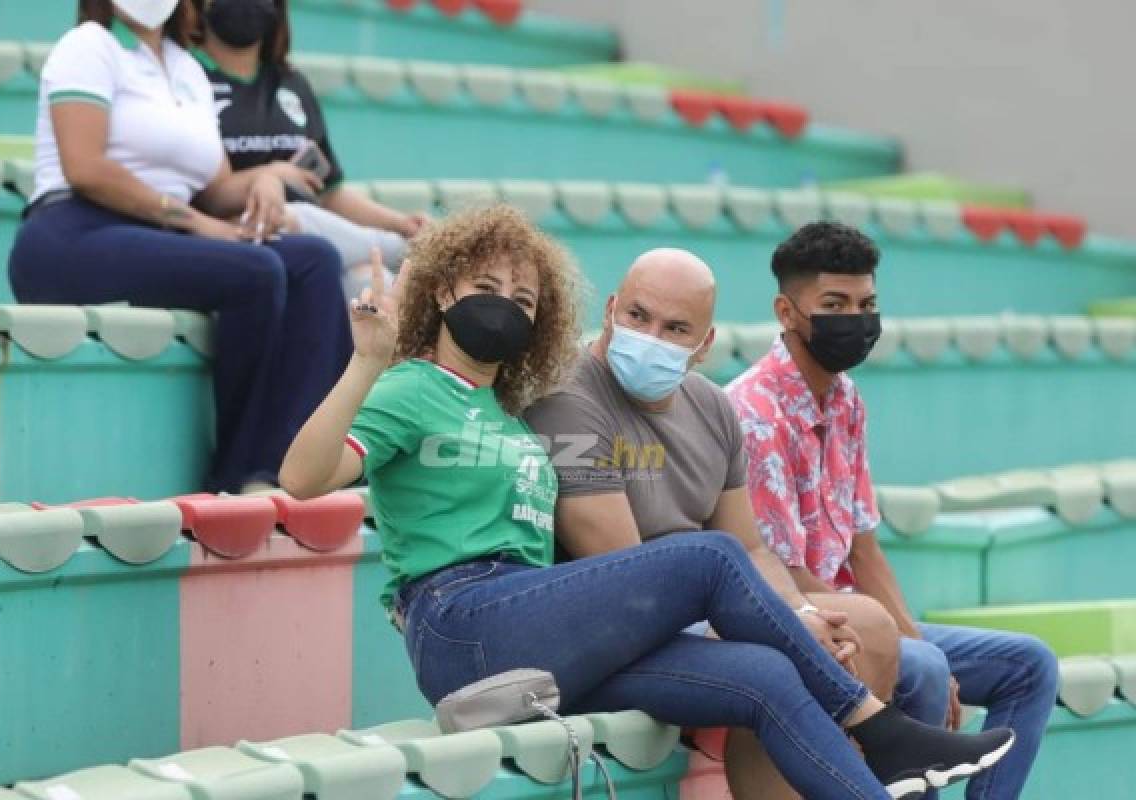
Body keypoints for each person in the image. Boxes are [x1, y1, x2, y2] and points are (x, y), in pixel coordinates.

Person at [281, 205, 1016, 800]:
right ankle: (877, 728)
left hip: (542, 632)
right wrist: (367, 361)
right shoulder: (411, 387)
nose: (504, 308)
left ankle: (872, 768)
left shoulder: (510, 411)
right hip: (462, 621)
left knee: (765, 680)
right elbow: (302, 479)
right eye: (485, 289)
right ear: (442, 292)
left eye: (524, 299)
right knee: (708, 555)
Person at [522, 247, 901, 800]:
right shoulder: (568, 395)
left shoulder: (711, 406)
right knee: (780, 656)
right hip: (617, 631)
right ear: (609, 309)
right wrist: (785, 627)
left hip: (699, 607)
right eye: (637, 316)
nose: (650, 337)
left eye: (675, 328)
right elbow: (628, 573)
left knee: (865, 626)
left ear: (704, 345)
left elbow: (751, 547)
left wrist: (800, 612)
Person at [728, 221, 1059, 800]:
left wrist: (913, 639)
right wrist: (918, 652)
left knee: (1030, 665)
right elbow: (780, 572)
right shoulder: (755, 412)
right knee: (925, 670)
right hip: (801, 619)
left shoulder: (847, 399)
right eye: (834, 304)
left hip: (864, 621)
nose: (855, 319)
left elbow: (864, 548)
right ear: (787, 311)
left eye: (866, 304)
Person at [9, 0, 352, 494]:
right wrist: (194, 222)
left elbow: (216, 189)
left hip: (157, 235)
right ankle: (242, 474)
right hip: (71, 233)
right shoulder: (88, 45)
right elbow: (85, 169)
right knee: (254, 271)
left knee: (315, 259)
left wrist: (267, 179)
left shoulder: (186, 69)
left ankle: (301, 463)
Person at [190, 0, 428, 297]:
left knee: (369, 284)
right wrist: (271, 175)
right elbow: (204, 195)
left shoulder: (292, 83)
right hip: (239, 231)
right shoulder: (188, 77)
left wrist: (400, 222)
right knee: (295, 218)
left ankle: (406, 251)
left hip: (314, 242)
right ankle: (408, 253)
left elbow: (328, 191)